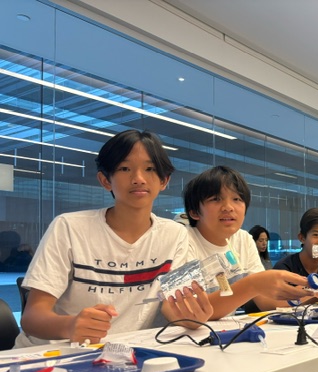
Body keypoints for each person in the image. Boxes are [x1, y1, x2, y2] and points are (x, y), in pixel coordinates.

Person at [16, 130, 214, 349]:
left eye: (150, 169)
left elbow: (172, 307)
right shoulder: (69, 227)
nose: (138, 178)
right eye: (124, 168)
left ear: (164, 180)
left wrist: (192, 316)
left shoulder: (175, 234)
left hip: (123, 354)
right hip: (50, 354)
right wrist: (70, 325)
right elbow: (32, 317)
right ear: (105, 180)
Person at [182, 166, 308, 316]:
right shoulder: (183, 240)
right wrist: (253, 285)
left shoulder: (243, 239)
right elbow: (192, 312)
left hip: (223, 332)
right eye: (216, 199)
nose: (228, 207)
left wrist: (315, 293)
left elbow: (264, 301)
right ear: (195, 212)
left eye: (237, 199)